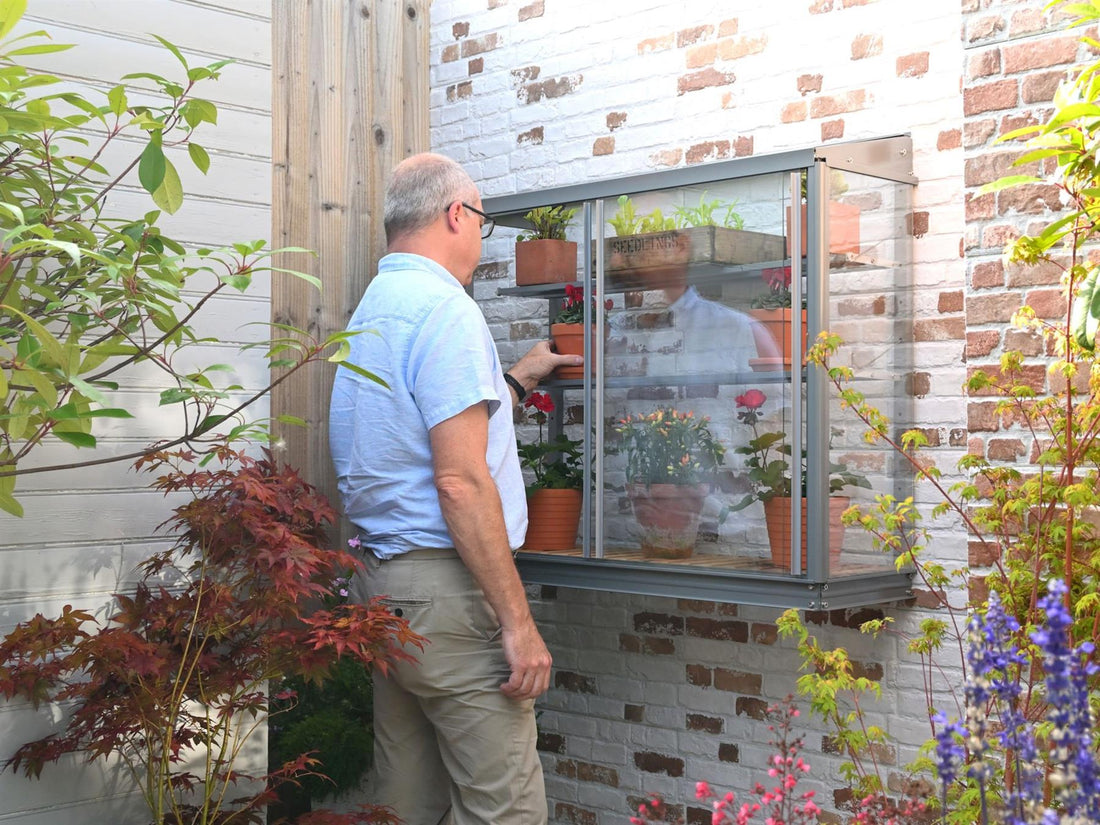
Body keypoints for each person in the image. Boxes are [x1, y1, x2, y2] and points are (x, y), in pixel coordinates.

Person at [328, 152, 579, 825]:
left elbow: (418, 434)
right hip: (448, 597)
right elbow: (459, 481)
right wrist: (518, 623)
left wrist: (518, 378)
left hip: (385, 591)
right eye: (483, 224)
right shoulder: (446, 309)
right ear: (455, 215)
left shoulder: (374, 309)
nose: (479, 240)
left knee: (402, 802)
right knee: (505, 809)